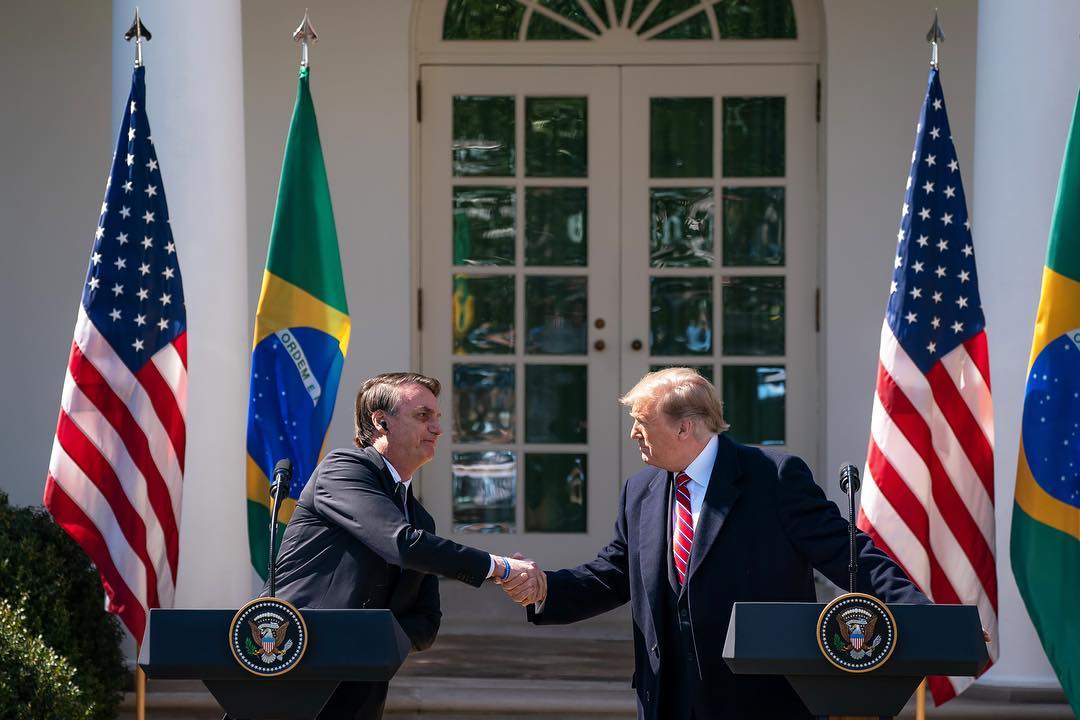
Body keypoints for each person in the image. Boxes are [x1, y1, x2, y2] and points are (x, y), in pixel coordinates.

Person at [508, 367, 928, 719]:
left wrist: (919, 613)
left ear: (684, 428)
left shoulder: (773, 477)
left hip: (757, 697)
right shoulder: (641, 489)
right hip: (667, 697)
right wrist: (546, 588)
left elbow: (846, 551)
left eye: (642, 421)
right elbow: (615, 573)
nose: (634, 433)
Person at [266, 372, 545, 719]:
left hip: (361, 690)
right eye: (423, 416)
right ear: (381, 422)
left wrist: (367, 642)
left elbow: (426, 623)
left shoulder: (420, 519)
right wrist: (500, 568)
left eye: (437, 417)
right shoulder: (343, 470)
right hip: (294, 667)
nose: (438, 429)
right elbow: (400, 544)